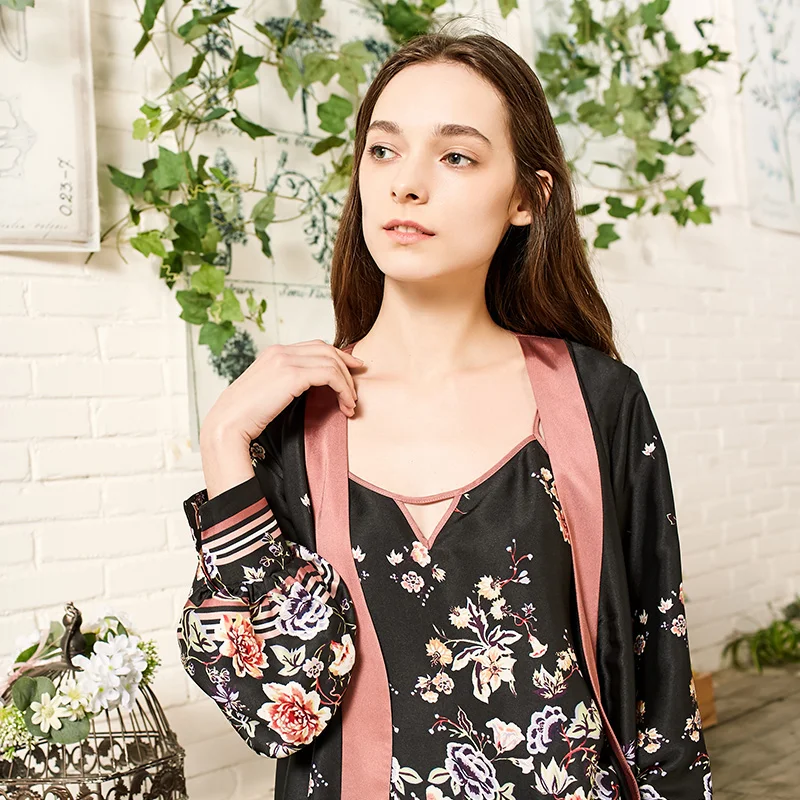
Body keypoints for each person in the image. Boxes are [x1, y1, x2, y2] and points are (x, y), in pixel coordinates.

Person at [176, 28, 712, 800]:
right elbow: (276, 713)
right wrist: (225, 442)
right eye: (384, 151)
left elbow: (661, 694)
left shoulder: (599, 401)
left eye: (456, 156)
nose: (406, 183)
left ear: (528, 198)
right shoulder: (293, 425)